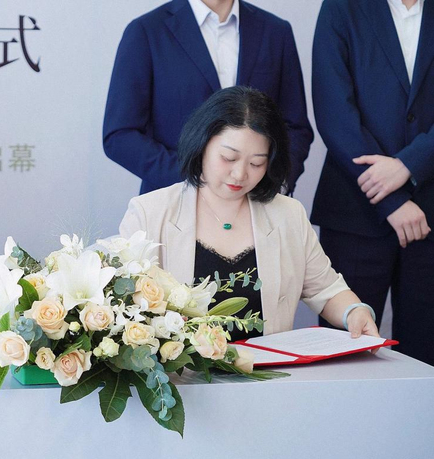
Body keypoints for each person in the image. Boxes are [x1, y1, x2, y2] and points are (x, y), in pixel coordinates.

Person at [119, 87, 380, 341]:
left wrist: (354, 312)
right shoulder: (149, 214)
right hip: (184, 370)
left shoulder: (288, 215)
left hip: (268, 367)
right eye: (228, 158)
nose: (240, 174)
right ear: (201, 145)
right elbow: (124, 309)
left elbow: (326, 290)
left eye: (256, 163)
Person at [311, 0, 433, 365]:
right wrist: (391, 200)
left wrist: (409, 163)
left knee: (427, 355)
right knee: (344, 356)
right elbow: (334, 110)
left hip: (430, 208)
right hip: (355, 209)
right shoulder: (341, 7)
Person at [103, 0, 313, 195]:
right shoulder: (147, 31)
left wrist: (272, 183)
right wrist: (195, 178)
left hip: (255, 201)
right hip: (174, 199)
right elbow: (120, 134)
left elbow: (295, 126)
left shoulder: (275, 31)